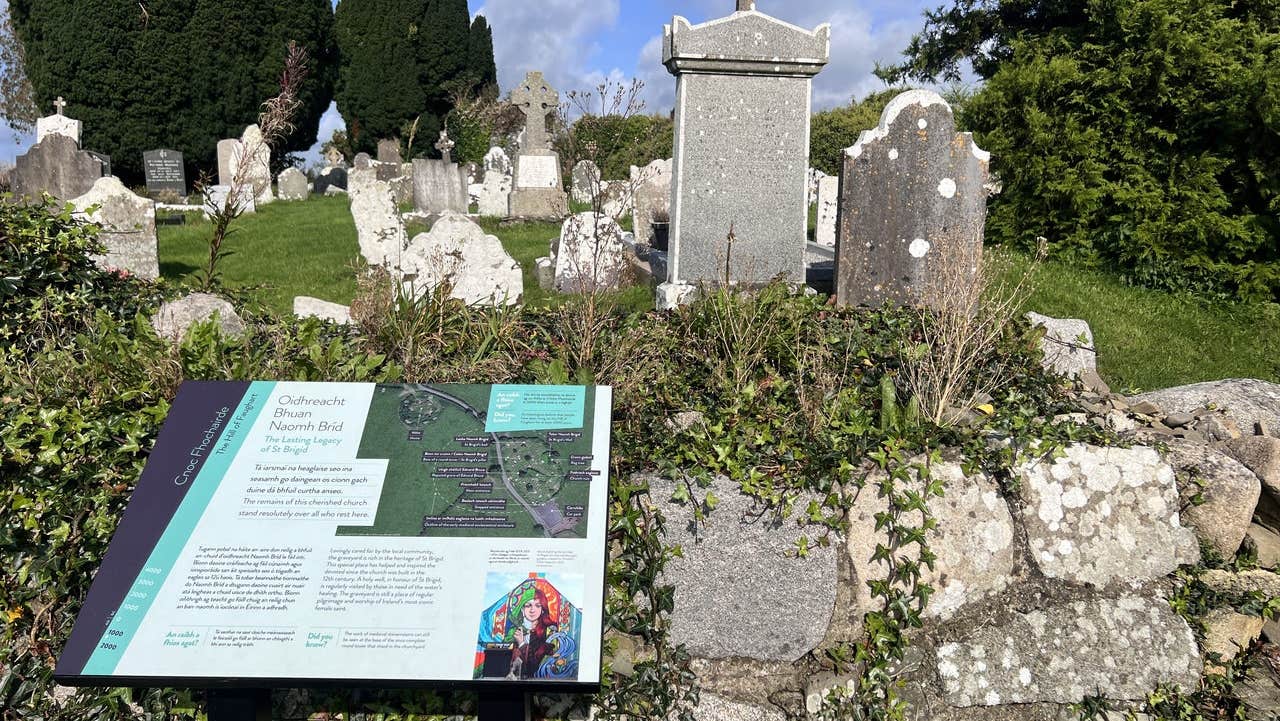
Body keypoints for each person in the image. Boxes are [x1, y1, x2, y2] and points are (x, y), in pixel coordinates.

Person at [510, 589, 557, 678]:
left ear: (543, 609)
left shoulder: (550, 631)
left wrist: (522, 644)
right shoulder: (513, 632)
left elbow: (534, 666)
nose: (532, 610)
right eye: (528, 606)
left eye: (537, 606)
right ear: (522, 609)